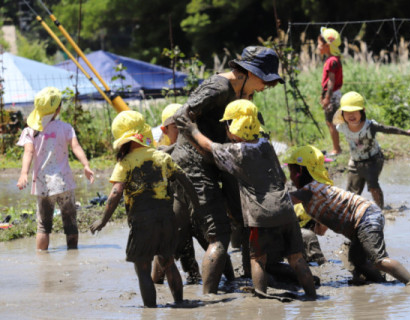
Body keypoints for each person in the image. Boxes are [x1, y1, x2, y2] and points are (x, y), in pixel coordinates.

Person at [176, 99, 317, 300]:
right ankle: (312, 296)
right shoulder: (266, 145)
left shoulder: (235, 152)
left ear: (233, 127)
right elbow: (282, 177)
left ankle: (261, 296)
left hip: (260, 215)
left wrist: (191, 129)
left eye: (227, 124)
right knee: (296, 258)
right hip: (286, 209)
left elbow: (208, 146)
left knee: (257, 259)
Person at [172, 46, 284, 293]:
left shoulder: (242, 91)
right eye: (263, 80)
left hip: (222, 158)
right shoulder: (219, 87)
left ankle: (252, 278)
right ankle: (210, 299)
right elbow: (181, 116)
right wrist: (207, 147)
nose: (265, 87)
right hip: (195, 160)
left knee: (246, 217)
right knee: (219, 234)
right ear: (246, 73)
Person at [90, 110, 200, 307]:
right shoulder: (161, 157)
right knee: (168, 263)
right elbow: (186, 181)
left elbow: (115, 193)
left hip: (142, 223)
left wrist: (103, 220)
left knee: (142, 269)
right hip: (167, 219)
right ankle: (180, 304)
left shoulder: (126, 162)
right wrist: (197, 206)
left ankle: (150, 311)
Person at [284, 145, 410, 286]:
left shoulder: (310, 190)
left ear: (300, 171)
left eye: (290, 171)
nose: (290, 177)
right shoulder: (316, 193)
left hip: (366, 217)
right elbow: (321, 229)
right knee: (357, 260)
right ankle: (381, 282)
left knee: (379, 260)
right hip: (364, 218)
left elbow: (283, 201)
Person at [16, 87, 94, 250]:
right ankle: (72, 253)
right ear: (58, 109)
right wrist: (86, 165)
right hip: (64, 184)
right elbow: (76, 147)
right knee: (70, 224)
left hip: (43, 186)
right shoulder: (65, 128)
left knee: (43, 226)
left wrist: (24, 174)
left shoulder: (30, 131)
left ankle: (42, 260)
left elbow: (28, 152)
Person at [333, 91, 410, 209]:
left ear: (362, 111)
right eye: (347, 112)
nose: (351, 115)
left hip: (373, 160)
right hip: (355, 161)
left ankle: (381, 210)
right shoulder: (342, 127)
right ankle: (348, 213)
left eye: (354, 111)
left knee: (372, 185)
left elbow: (387, 129)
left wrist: (406, 132)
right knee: (351, 192)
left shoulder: (369, 126)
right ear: (342, 113)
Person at [151, 103, 203, 285]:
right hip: (173, 214)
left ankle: (225, 280)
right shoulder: (160, 150)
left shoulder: (193, 144)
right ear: (164, 130)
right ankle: (156, 285)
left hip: (192, 208)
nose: (181, 132)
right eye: (176, 127)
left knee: (206, 244)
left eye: (184, 126)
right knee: (166, 252)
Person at [318, 27, 343, 156]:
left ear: (327, 46)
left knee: (331, 123)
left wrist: (327, 97)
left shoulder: (331, 62)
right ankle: (336, 147)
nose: (318, 47)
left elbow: (331, 81)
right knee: (332, 122)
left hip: (332, 95)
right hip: (334, 94)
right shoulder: (334, 60)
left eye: (319, 44)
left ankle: (336, 149)